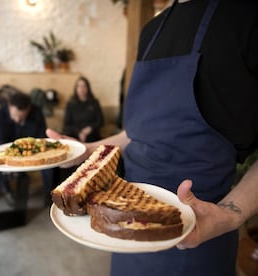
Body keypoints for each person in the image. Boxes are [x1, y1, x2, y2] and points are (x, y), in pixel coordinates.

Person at [47, 0, 258, 275]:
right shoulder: (151, 30)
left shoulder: (246, 18)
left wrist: (232, 214)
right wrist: (88, 151)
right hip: (123, 222)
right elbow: (140, 133)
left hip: (201, 228)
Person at [0, 92, 58, 207]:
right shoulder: (1, 114)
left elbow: (41, 138)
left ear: (28, 109)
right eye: (14, 115)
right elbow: (0, 140)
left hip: (34, 150)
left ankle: (48, 195)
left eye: (21, 116)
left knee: (50, 166)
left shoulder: (36, 112)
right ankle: (7, 192)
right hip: (11, 150)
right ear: (9, 107)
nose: (17, 120)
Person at [62, 76, 104, 143]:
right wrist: (79, 132)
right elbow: (67, 125)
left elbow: (100, 121)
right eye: (79, 86)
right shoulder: (70, 104)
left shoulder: (94, 102)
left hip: (92, 135)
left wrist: (90, 128)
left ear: (88, 88)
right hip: (75, 135)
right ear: (76, 88)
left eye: (84, 86)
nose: (82, 89)